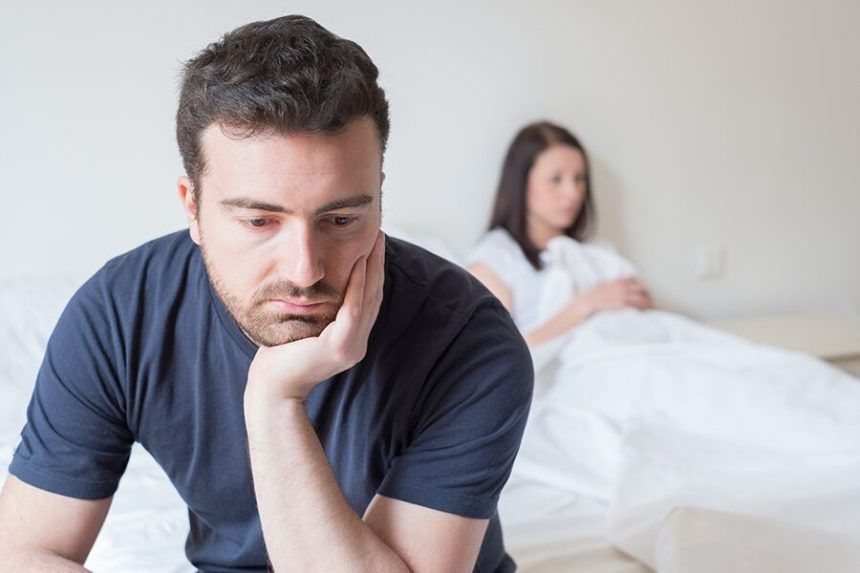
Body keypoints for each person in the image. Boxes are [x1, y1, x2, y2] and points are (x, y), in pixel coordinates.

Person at [0, 15, 533, 573]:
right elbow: (25, 554)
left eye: (342, 219)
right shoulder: (118, 316)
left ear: (379, 195)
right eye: (258, 221)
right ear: (193, 208)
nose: (304, 270)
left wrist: (275, 399)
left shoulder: (470, 341)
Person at [467, 121, 654, 350]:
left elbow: (643, 317)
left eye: (579, 179)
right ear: (521, 183)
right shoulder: (494, 261)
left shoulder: (595, 253)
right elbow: (499, 358)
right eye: (556, 179)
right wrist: (588, 304)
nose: (573, 194)